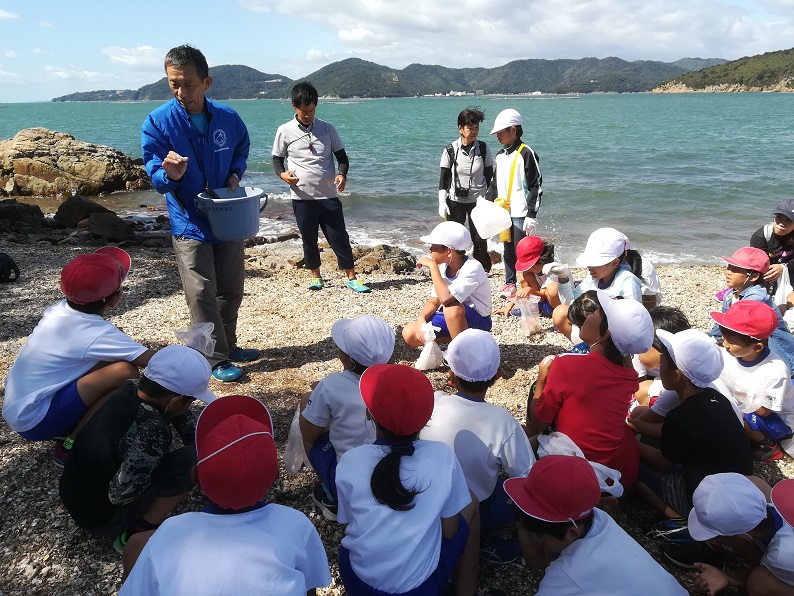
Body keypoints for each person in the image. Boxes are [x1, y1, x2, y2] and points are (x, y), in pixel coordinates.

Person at [120, 394, 332, 595]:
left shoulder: (169, 533)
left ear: (195, 476)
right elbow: (309, 586)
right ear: (275, 476)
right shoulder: (295, 523)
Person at [141, 44, 259, 383]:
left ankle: (229, 345)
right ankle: (213, 356)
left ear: (206, 82)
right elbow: (155, 171)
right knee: (202, 293)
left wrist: (236, 173)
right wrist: (169, 175)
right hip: (189, 222)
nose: (181, 92)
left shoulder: (227, 117)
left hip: (227, 216)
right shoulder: (158, 122)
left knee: (232, 287)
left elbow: (241, 148)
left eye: (187, 84)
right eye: (173, 84)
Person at [335, 364, 480, 596]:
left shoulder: (350, 461)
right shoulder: (442, 456)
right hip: (419, 590)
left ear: (369, 415)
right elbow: (450, 531)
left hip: (359, 582)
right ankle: (467, 590)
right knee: (471, 502)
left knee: (346, 550)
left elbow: (348, 521)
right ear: (425, 419)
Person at [2, 247, 153, 464]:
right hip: (36, 420)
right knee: (126, 372)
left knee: (115, 358)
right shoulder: (98, 332)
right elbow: (154, 361)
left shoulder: (58, 309)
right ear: (115, 298)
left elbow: (110, 341)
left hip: (21, 406)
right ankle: (71, 444)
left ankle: (67, 426)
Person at [59, 345, 217, 553]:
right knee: (188, 460)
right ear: (177, 401)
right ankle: (135, 533)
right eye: (191, 401)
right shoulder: (150, 431)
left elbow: (176, 411)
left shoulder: (130, 388)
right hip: (100, 518)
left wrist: (201, 438)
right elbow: (121, 494)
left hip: (76, 494)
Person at [421, 329, 535, 565]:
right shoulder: (503, 421)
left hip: (422, 503)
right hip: (470, 512)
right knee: (516, 493)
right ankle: (481, 540)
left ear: (451, 374)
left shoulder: (432, 401)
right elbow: (528, 477)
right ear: (498, 375)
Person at [526, 290, 654, 490]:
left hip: (577, 465)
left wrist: (542, 377)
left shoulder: (566, 365)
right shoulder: (628, 374)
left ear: (605, 333)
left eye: (600, 313)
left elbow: (538, 425)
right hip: (616, 467)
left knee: (534, 429)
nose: (593, 313)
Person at [505, 455, 687, 595]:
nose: (537, 541)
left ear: (572, 532)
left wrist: (521, 523)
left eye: (538, 536)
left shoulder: (565, 577)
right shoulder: (598, 517)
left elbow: (537, 564)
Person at [636, 328, 754, 531]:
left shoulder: (681, 417)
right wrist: (634, 425)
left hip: (711, 502)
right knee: (643, 435)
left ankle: (679, 517)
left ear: (676, 375)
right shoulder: (714, 398)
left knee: (632, 469)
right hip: (739, 488)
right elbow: (675, 434)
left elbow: (661, 462)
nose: (659, 364)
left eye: (662, 362)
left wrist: (631, 442)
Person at [272, 81, 369, 294]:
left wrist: (342, 174)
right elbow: (277, 159)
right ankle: (316, 276)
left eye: (311, 110)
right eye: (304, 111)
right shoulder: (284, 131)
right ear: (294, 107)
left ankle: (351, 278)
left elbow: (342, 158)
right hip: (301, 197)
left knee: (339, 237)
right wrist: (283, 175)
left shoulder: (328, 129)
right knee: (309, 239)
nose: (308, 115)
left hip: (328, 195)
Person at [299, 315, 395, 521]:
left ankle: (332, 495)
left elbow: (309, 432)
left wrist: (314, 397)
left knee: (307, 418)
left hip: (348, 480)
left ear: (347, 358)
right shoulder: (398, 380)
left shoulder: (331, 384)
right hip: (391, 474)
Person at [661, 473, 794, 596]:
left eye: (716, 538)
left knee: (758, 583)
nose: (714, 542)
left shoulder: (783, 554)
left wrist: (728, 577)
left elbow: (763, 567)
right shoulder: (758, 485)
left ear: (742, 538)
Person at [712, 300, 794, 462]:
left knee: (730, 414)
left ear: (757, 347)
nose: (725, 344)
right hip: (746, 402)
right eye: (724, 337)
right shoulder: (731, 353)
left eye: (731, 341)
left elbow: (764, 411)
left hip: (776, 419)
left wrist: (733, 394)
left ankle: (766, 444)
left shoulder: (775, 371)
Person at [402, 221, 492, 347]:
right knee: (410, 332)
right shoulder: (444, 266)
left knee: (451, 307)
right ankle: (456, 341)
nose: (430, 250)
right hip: (452, 317)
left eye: (434, 246)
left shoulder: (473, 267)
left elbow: (446, 299)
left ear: (449, 251)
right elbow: (434, 301)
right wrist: (421, 320)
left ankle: (462, 354)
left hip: (478, 320)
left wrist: (432, 267)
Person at [708, 246, 794, 372]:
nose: (728, 272)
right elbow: (724, 322)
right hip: (749, 343)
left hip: (773, 344)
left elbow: (737, 324)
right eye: (728, 267)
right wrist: (711, 338)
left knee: (782, 369)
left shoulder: (756, 298)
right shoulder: (730, 295)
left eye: (735, 269)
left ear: (753, 276)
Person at [551, 227, 643, 342]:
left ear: (614, 263)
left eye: (595, 263)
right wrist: (563, 278)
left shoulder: (627, 281)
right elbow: (570, 304)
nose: (589, 267)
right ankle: (589, 349)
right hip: (593, 333)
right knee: (560, 312)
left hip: (614, 339)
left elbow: (635, 320)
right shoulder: (593, 278)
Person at [488, 108, 542, 296]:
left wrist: (531, 215)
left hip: (520, 212)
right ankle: (510, 282)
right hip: (504, 212)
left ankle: (528, 284)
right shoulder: (500, 155)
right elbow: (494, 184)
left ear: (513, 130)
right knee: (507, 249)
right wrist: (486, 204)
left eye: (501, 132)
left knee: (523, 252)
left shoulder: (526, 153)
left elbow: (536, 185)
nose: (498, 136)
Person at [438, 107, 494, 272]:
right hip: (455, 201)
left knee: (479, 237)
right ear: (460, 129)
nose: (474, 131)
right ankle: (454, 267)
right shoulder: (450, 150)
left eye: (477, 127)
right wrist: (442, 202)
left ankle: (482, 269)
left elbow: (491, 178)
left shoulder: (483, 149)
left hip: (479, 201)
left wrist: (491, 201)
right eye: (470, 128)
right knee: (454, 237)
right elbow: (443, 178)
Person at [493, 236, 561, 317]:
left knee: (552, 288)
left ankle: (559, 316)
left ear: (542, 260)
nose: (528, 268)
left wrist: (530, 290)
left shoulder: (555, 269)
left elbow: (543, 296)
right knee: (524, 275)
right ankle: (531, 308)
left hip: (558, 304)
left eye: (530, 265)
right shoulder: (533, 269)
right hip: (542, 300)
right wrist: (509, 305)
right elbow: (522, 291)